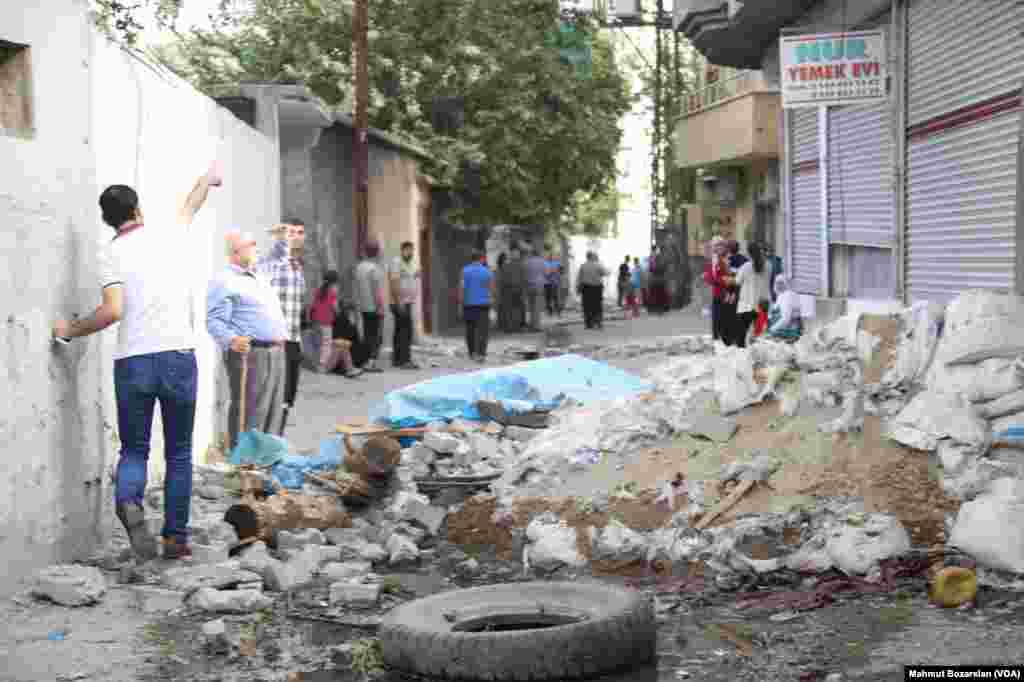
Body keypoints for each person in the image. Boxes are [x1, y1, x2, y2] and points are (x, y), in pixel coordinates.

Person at [52, 167, 219, 561]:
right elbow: (190, 206)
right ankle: (175, 538)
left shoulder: (110, 253)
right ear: (138, 209)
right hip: (178, 357)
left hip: (133, 362)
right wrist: (206, 180)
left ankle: (129, 500)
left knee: (134, 449)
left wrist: (69, 330)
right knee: (179, 452)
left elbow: (112, 311)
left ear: (107, 219)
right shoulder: (168, 234)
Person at [207, 230, 290, 449]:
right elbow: (213, 320)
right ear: (236, 251)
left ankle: (265, 459)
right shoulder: (224, 280)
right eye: (252, 245)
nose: (257, 248)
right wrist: (232, 339)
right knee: (250, 411)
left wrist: (282, 239)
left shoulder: (258, 275)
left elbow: (278, 260)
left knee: (272, 411)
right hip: (250, 354)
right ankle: (242, 459)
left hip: (275, 351)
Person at [260, 219, 306, 434]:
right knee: (276, 397)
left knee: (288, 398)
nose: (296, 236)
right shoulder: (274, 264)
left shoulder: (298, 267)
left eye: (300, 232)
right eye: (291, 232)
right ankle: (269, 440)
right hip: (276, 340)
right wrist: (280, 239)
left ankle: (277, 439)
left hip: (293, 340)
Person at [354, 240, 386, 372]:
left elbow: (356, 289)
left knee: (367, 334)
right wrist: (381, 307)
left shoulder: (359, 267)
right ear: (377, 252)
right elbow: (377, 291)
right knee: (376, 336)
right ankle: (371, 362)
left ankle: (365, 361)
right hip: (374, 307)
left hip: (363, 306)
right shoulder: (374, 269)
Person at [458, 249, 495, 362]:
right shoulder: (487, 271)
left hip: (468, 304)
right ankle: (481, 353)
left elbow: (462, 288)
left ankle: (472, 352)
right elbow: (491, 288)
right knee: (483, 330)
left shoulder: (465, 271)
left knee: (470, 329)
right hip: (483, 304)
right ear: (482, 259)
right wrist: (492, 302)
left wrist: (460, 303)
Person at [733, 243, 773, 348]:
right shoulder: (769, 265)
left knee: (741, 335)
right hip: (763, 303)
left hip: (747, 305)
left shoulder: (745, 267)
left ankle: (742, 355)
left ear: (748, 253)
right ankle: (758, 354)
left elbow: (737, 281)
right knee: (759, 334)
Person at [388, 240, 420, 369]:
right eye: (408, 250)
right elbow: (394, 282)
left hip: (407, 302)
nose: (410, 253)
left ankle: (398, 359)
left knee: (401, 330)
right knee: (405, 332)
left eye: (412, 250)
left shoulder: (410, 264)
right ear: (402, 251)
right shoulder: (396, 262)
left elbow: (411, 278)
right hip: (399, 302)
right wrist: (398, 302)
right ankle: (404, 360)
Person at [703, 236, 732, 343]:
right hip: (718, 292)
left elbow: (729, 275)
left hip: (726, 291)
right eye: (715, 246)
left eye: (719, 245)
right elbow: (711, 275)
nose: (716, 248)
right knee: (716, 315)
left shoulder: (726, 258)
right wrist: (711, 278)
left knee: (725, 315)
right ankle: (717, 336)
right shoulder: (714, 259)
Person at [577, 251, 609, 329]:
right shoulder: (597, 265)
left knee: (587, 305)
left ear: (587, 257)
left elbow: (579, 278)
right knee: (597, 305)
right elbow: (605, 273)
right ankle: (598, 322)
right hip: (597, 288)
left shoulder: (583, 266)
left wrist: (578, 288)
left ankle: (588, 323)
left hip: (586, 288)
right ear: (592, 257)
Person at [768, 274, 803, 341]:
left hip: (791, 332)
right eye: (777, 283)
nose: (778, 285)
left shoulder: (788, 295)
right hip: (782, 330)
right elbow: (774, 311)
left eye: (781, 283)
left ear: (786, 283)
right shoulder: (781, 295)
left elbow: (786, 319)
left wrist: (772, 329)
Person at [523, 243, 547, 332]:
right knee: (537, 307)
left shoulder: (527, 262)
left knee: (531, 306)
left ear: (532, 253)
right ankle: (537, 326)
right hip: (539, 285)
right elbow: (546, 273)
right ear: (538, 253)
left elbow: (524, 273)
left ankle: (532, 324)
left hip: (529, 285)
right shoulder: (542, 262)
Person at [501, 247, 526, 332]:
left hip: (508, 289)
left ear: (511, 256)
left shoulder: (505, 265)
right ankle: (517, 326)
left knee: (508, 309)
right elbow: (523, 279)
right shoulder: (522, 266)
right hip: (518, 289)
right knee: (518, 308)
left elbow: (503, 279)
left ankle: (509, 327)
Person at [544, 248, 563, 316]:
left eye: (550, 255)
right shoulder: (544, 263)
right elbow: (543, 272)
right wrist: (548, 273)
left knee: (555, 297)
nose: (549, 256)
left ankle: (558, 311)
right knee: (548, 298)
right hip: (547, 282)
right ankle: (549, 311)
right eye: (547, 255)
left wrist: (557, 272)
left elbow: (562, 271)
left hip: (555, 282)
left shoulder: (557, 262)